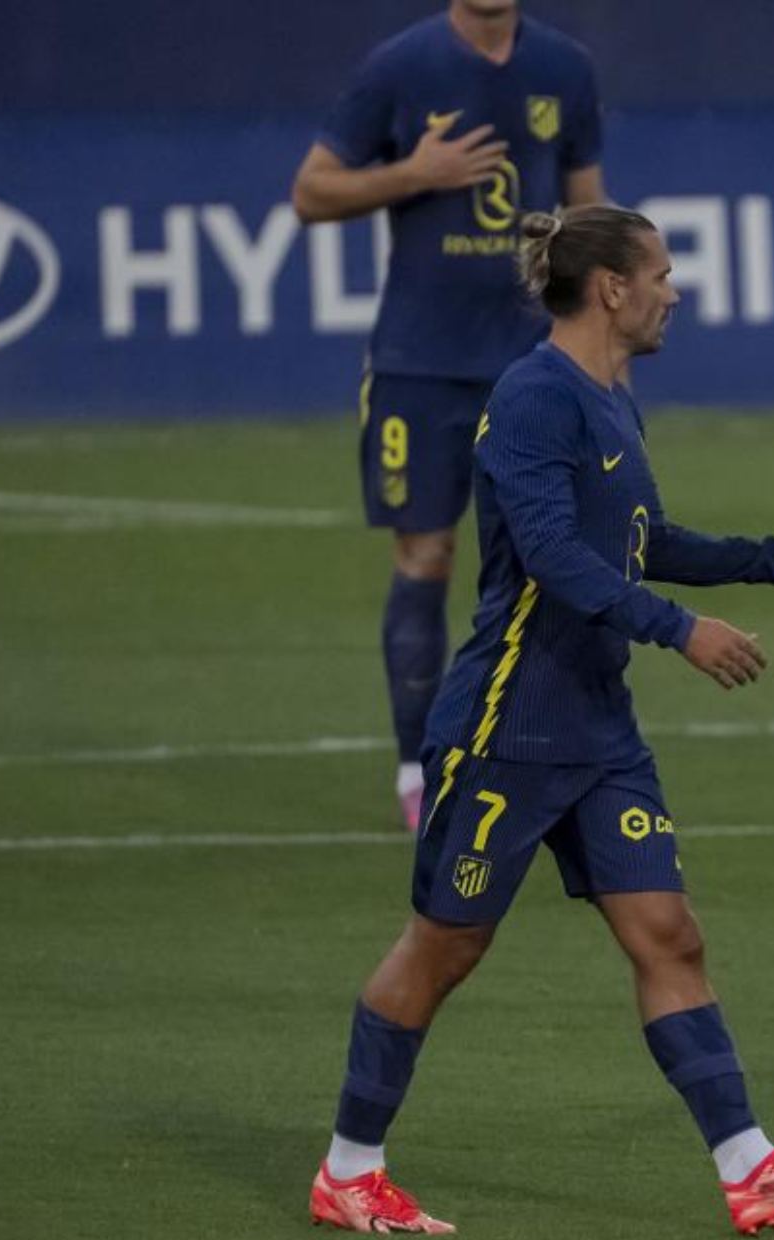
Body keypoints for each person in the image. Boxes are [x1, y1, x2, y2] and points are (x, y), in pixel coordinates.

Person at [308, 204, 774, 1237]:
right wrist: (680, 630)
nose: (674, 292)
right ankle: (349, 1171)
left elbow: (640, 540)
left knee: (669, 935)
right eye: (660, 274)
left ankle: (749, 1167)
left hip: (598, 732)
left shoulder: (612, 398)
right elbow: (554, 558)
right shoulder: (534, 396)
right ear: (613, 288)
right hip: (506, 727)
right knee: (444, 950)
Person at [291, 0, 609, 830]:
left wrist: (603, 338)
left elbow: (585, 210)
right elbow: (311, 192)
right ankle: (418, 769)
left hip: (536, 363)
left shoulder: (564, 69)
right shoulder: (399, 67)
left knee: (555, 561)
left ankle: (551, 755)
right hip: (421, 362)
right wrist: (414, 174)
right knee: (426, 554)